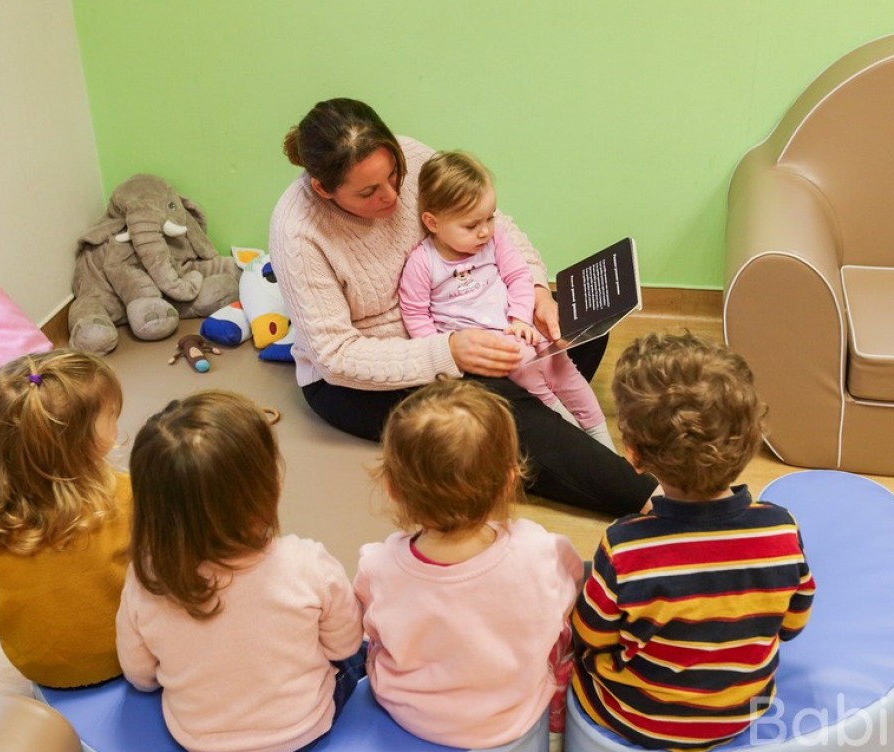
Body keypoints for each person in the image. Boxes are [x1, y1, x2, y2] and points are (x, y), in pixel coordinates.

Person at [270, 97, 657, 515]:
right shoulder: (298, 233)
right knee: (500, 406)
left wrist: (537, 292)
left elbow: (492, 224)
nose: (393, 195)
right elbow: (335, 357)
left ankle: (546, 432)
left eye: (395, 175)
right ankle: (644, 495)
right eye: (368, 193)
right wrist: (449, 352)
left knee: (577, 325)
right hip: (365, 374)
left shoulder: (414, 158)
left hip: (465, 316)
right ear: (323, 189)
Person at [571, 332, 816, 752]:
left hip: (632, 715)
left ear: (633, 454)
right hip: (744, 709)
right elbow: (793, 626)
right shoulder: (780, 529)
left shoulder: (625, 546)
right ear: (750, 442)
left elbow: (590, 635)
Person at [115, 391, 365, 752]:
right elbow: (343, 647)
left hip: (198, 738)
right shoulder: (308, 563)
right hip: (304, 728)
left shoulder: (147, 578)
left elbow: (140, 676)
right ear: (268, 490)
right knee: (362, 652)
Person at [354, 378, 584, 752]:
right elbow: (571, 593)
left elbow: (368, 633)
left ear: (393, 488)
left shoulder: (377, 565)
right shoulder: (539, 549)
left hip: (409, 712)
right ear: (509, 482)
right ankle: (557, 719)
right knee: (566, 625)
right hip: (511, 713)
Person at [400, 149, 614, 451]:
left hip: (518, 327)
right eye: (471, 226)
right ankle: (578, 440)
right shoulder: (423, 263)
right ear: (433, 223)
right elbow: (416, 315)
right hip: (486, 346)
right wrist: (443, 354)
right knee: (530, 372)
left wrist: (520, 318)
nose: (485, 230)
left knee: (564, 368)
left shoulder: (495, 238)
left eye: (489, 217)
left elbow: (518, 277)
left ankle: (601, 437)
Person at [0, 349, 128, 688]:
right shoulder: (127, 496)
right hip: (126, 654)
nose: (117, 423)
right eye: (111, 415)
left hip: (38, 666)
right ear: (85, 441)